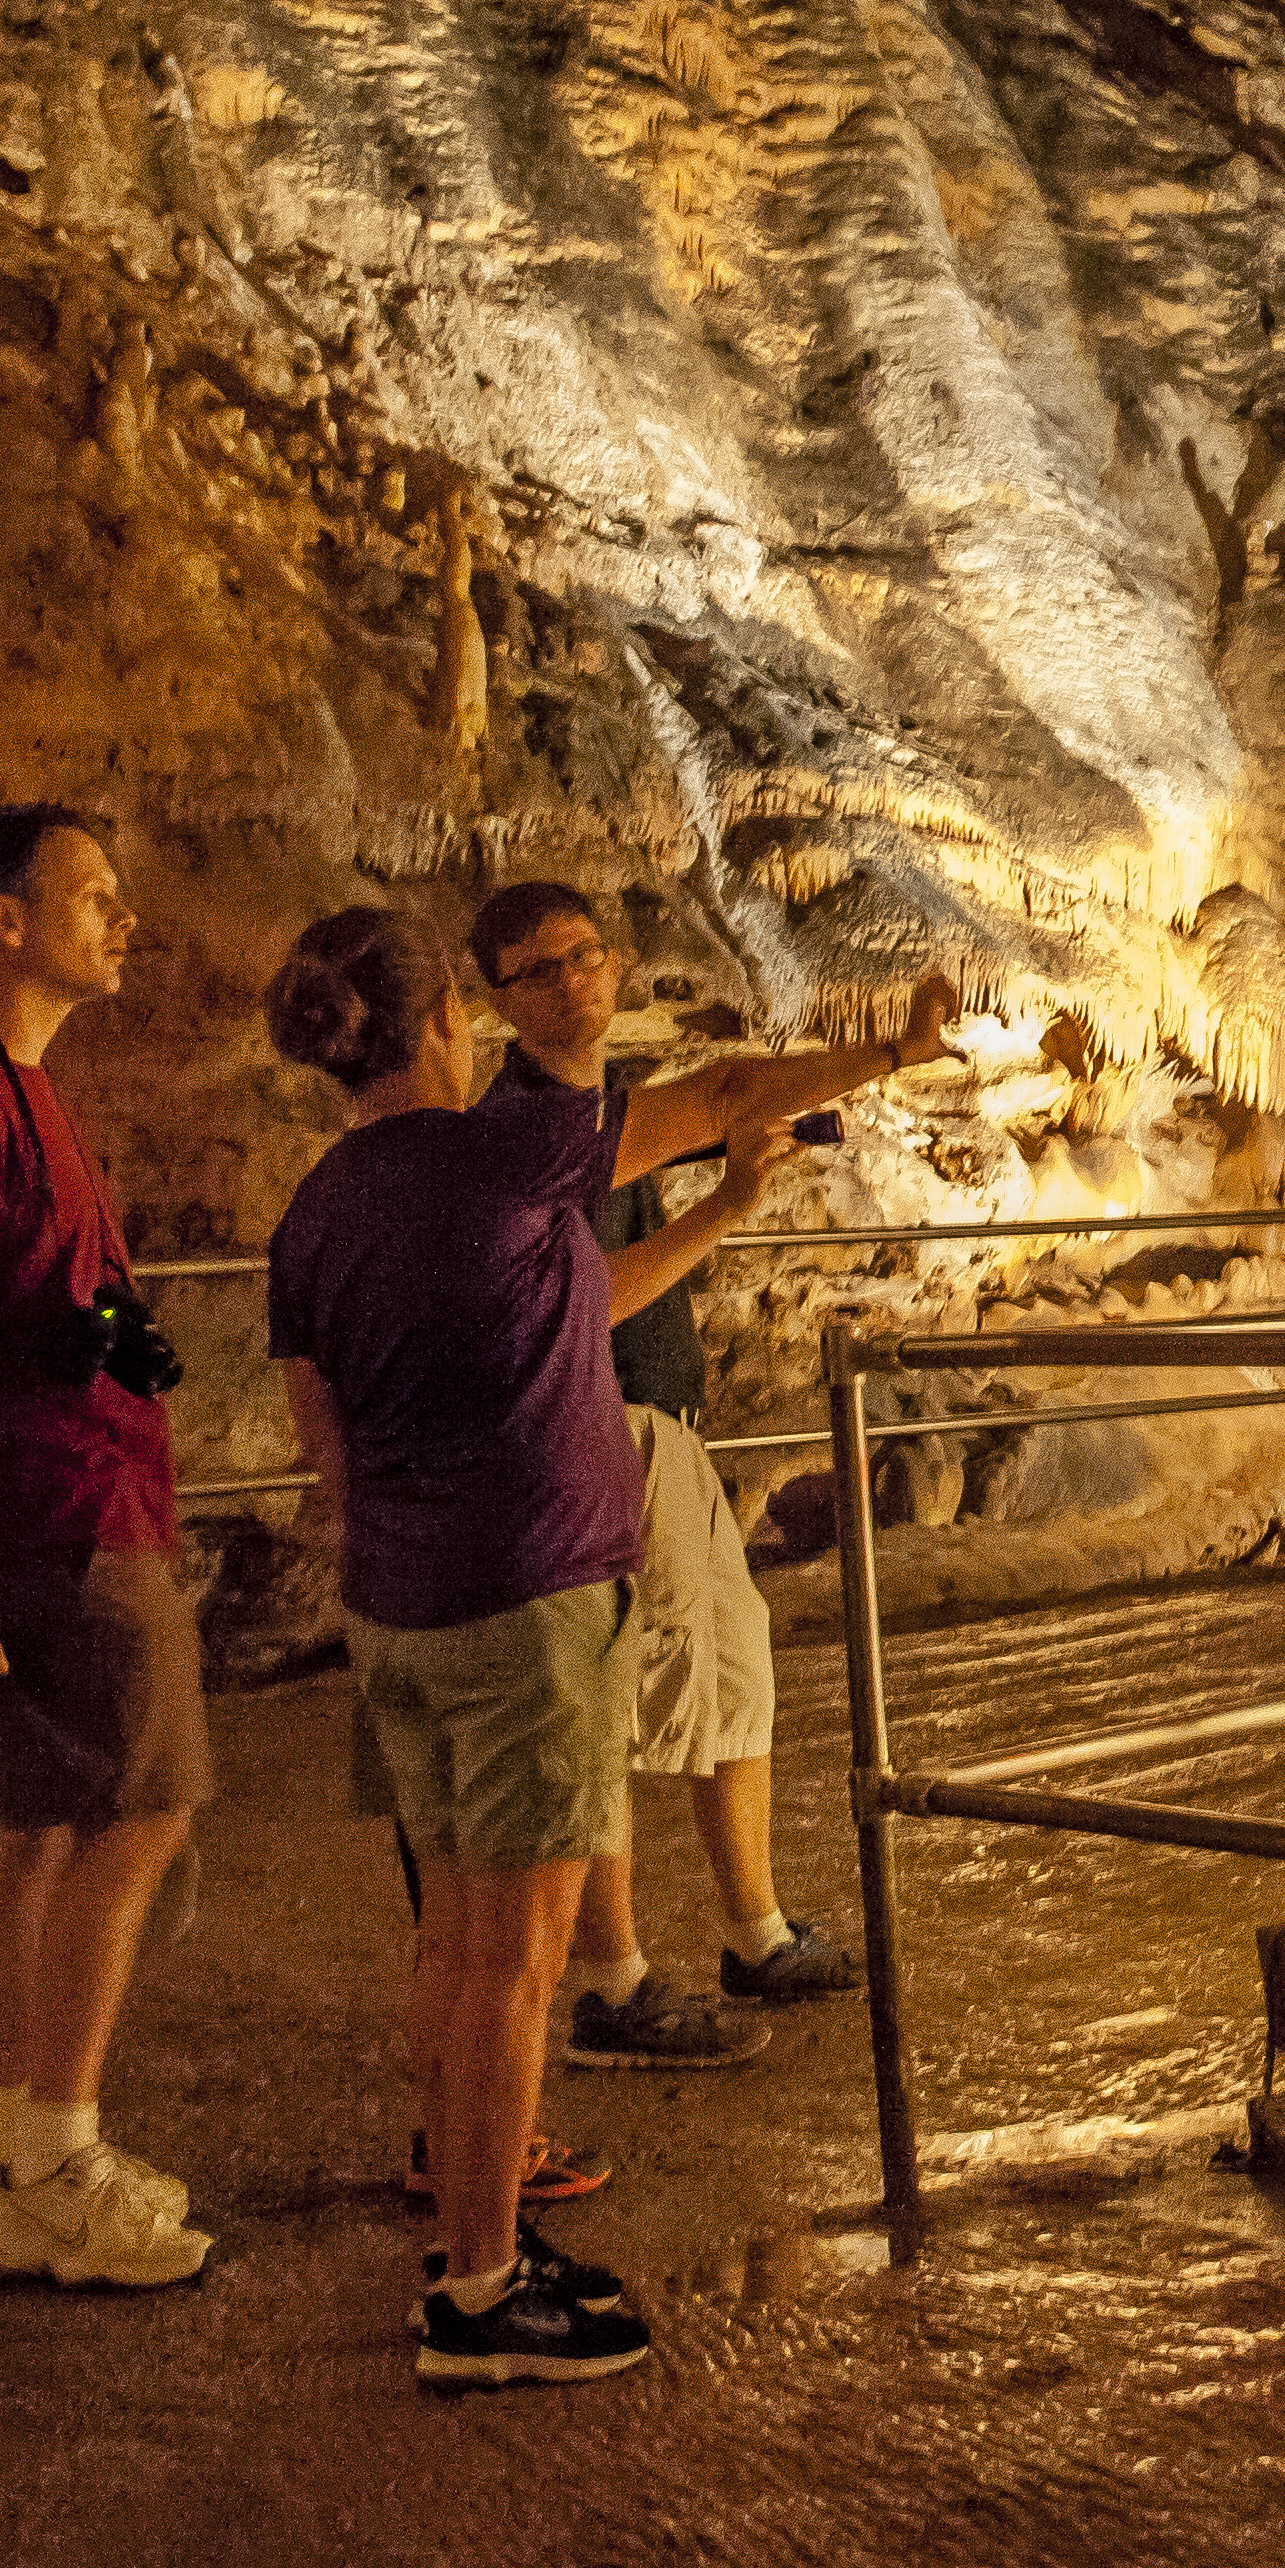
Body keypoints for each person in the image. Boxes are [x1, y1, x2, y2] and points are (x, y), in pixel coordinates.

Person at [266, 907, 950, 2386]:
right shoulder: (504, 1155)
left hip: (400, 1610)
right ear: (447, 1021)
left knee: (456, 1945)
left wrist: (726, 1207)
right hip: (523, 1608)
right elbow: (720, 1094)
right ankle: (481, 2291)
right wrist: (890, 1052)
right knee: (519, 1964)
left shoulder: (315, 1210)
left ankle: (475, 2237)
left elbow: (325, 1438)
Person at [465, 881, 949, 2069]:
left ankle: (755, 1931)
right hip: (603, 1431)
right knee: (625, 1706)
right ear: (495, 1000)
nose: (572, 981)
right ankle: (613, 1983)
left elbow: (730, 1092)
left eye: (585, 955)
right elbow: (591, 1299)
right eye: (538, 969)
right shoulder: (525, 1126)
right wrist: (738, 1195)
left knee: (731, 1670)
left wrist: (887, 1057)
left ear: (617, 963)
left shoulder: (602, 1107)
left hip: (665, 1429)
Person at [0, 803, 213, 2291]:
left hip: (77, 1493)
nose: (124, 918)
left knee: (44, 1825)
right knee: (143, 1809)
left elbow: (40, 1297)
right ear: (3, 922)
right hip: (56, 1518)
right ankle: (57, 2159)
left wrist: (120, 1337)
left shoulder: (20, 1084)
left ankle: (29, 2157)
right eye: (93, 894)